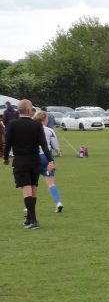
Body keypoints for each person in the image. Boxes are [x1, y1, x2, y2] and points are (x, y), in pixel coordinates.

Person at [3, 99, 54, 230]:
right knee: (33, 188)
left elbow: (7, 144)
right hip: (35, 161)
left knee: (26, 190)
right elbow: (44, 145)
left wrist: (6, 158)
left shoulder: (12, 124)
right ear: (29, 110)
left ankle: (34, 221)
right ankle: (29, 219)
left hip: (20, 161)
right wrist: (50, 160)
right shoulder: (37, 125)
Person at [33, 111, 63, 212]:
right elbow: (56, 146)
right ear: (44, 119)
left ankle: (29, 207)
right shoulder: (50, 130)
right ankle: (58, 202)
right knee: (50, 183)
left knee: (33, 184)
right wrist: (58, 152)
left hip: (34, 158)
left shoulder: (32, 130)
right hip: (47, 159)